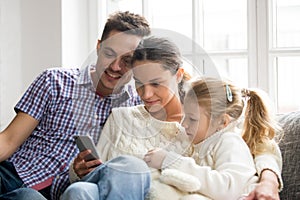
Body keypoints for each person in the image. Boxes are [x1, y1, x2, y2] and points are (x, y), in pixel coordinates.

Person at [67, 37, 283, 200]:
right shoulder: (122, 117)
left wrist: (269, 179)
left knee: (132, 167)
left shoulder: (204, 118)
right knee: (78, 191)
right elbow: (97, 170)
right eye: (139, 84)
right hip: (106, 190)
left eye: (156, 83)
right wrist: (78, 172)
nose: (146, 94)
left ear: (178, 75)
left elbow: (260, 144)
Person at [0, 11, 150, 200]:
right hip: (12, 175)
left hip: (63, 193)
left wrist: (80, 172)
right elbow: (8, 140)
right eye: (109, 54)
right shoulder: (54, 81)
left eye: (127, 61)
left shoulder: (135, 107)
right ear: (98, 47)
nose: (115, 67)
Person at [144, 77, 283, 199]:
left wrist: (170, 161)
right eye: (184, 116)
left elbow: (228, 189)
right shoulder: (194, 140)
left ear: (222, 122)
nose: (184, 124)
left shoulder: (229, 142)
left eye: (192, 119)